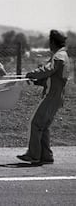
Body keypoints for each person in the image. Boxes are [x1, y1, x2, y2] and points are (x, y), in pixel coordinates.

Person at [17, 30, 70, 165]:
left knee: (35, 123)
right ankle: (46, 155)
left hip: (51, 96)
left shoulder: (59, 56)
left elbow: (48, 70)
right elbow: (53, 77)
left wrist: (32, 73)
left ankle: (33, 155)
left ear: (52, 42)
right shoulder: (63, 55)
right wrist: (37, 80)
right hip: (56, 96)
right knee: (43, 126)